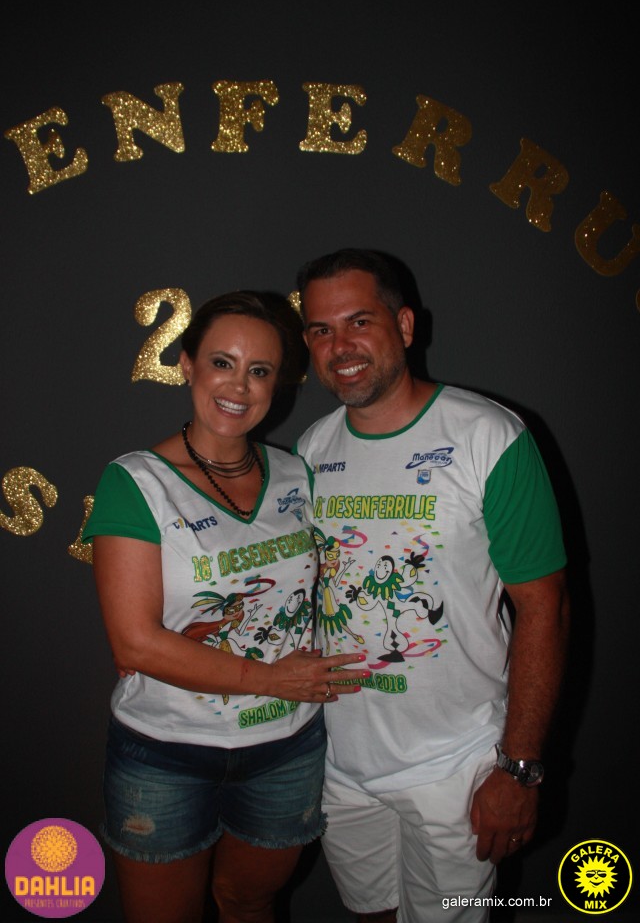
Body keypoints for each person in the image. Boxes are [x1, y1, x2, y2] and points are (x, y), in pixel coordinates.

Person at [293, 249, 570, 923]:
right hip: (341, 764)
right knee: (371, 914)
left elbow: (546, 609)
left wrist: (520, 767)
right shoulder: (311, 449)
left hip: (456, 767)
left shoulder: (489, 437)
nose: (340, 347)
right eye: (321, 330)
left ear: (405, 325)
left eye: (359, 322)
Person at [83, 291, 368, 923]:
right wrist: (271, 678)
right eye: (222, 362)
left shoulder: (297, 475)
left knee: (250, 903)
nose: (239, 386)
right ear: (187, 364)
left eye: (260, 370)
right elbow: (135, 643)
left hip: (287, 747)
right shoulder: (136, 483)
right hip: (167, 752)